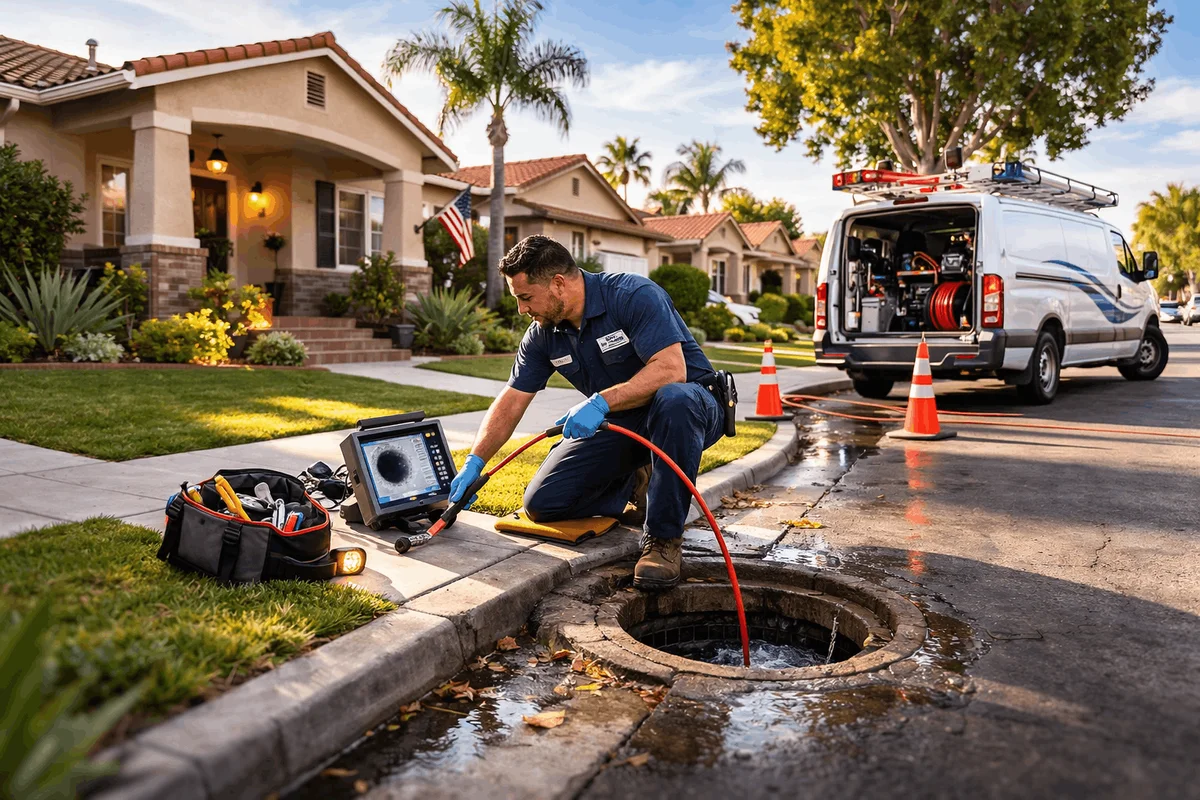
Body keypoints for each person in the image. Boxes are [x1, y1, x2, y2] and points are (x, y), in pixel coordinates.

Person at [449, 235, 726, 588]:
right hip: (624, 422)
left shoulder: (631, 295)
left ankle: (663, 541)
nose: (521, 309)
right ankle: (635, 478)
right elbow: (512, 399)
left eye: (525, 297)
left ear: (558, 284)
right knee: (543, 503)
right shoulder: (543, 334)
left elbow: (672, 371)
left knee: (673, 399)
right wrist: (475, 462)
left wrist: (600, 403)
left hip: (693, 408)